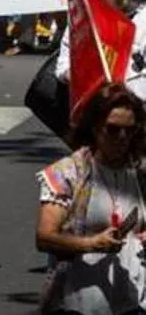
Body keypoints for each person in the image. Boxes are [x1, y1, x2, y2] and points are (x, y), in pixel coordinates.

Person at [37, 83, 146, 315]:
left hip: (135, 303)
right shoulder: (67, 174)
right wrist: (92, 243)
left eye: (130, 130)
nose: (122, 137)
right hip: (80, 305)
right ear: (95, 128)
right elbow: (45, 237)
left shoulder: (139, 173)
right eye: (113, 129)